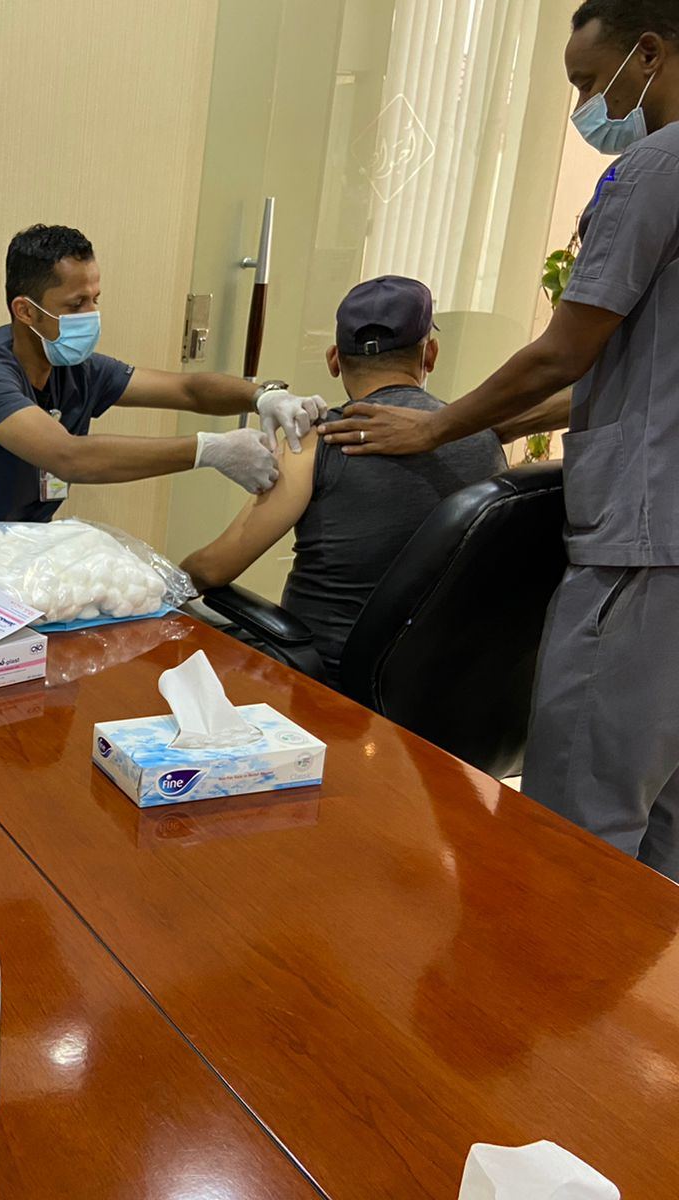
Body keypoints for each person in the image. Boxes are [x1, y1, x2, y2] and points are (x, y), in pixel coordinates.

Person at [319, 0, 679, 878]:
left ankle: (561, 970)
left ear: (648, 53)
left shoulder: (653, 168)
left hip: (642, 546)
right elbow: (641, 370)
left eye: (590, 82)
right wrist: (493, 426)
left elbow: (565, 349)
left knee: (580, 828)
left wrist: (437, 426)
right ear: (430, 349)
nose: (588, 107)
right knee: (663, 816)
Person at [182, 277, 507, 684]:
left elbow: (213, 569)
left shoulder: (320, 440)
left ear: (334, 360)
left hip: (324, 683)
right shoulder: (484, 440)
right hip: (443, 686)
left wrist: (158, 579)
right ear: (431, 354)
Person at [0, 224, 328, 525]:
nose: (91, 315)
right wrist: (209, 450)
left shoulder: (74, 367)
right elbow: (70, 458)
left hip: (18, 548)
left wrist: (263, 396)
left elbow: (187, 390)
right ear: (26, 311)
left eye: (95, 299)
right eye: (76, 304)